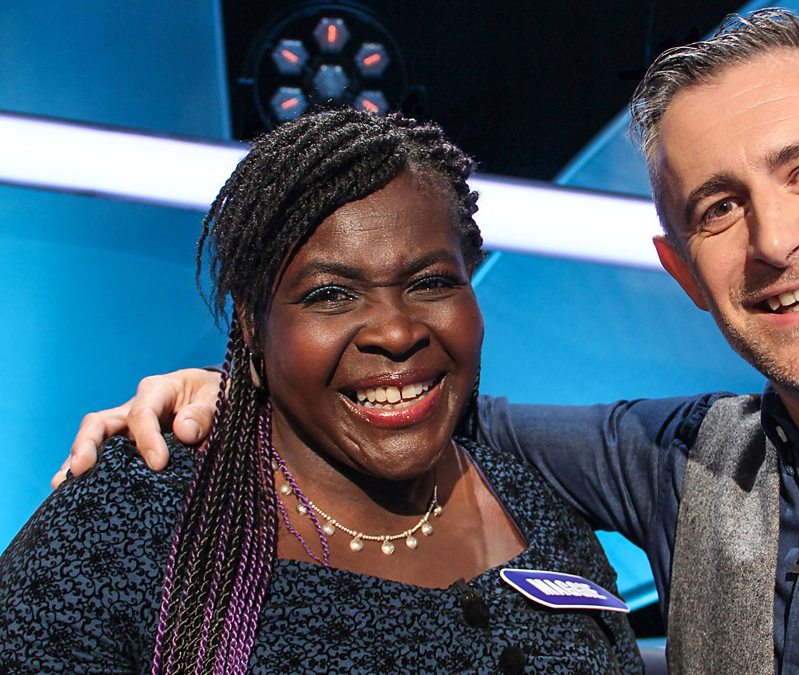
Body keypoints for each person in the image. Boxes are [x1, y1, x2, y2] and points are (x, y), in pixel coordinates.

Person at [60, 9, 799, 674]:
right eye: (719, 207)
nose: (777, 239)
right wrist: (235, 392)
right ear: (682, 269)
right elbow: (427, 409)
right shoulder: (678, 458)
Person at [1, 109, 641, 673]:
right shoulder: (131, 516)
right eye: (331, 294)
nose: (396, 332)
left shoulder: (538, 510)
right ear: (252, 323)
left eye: (431, 283)